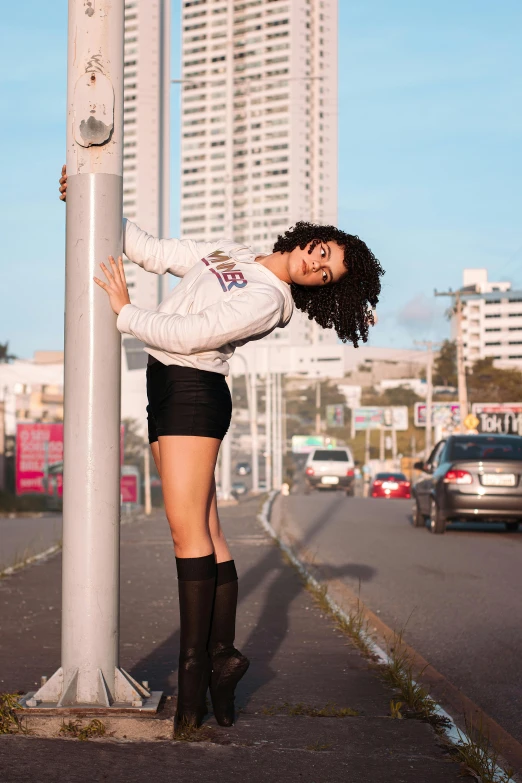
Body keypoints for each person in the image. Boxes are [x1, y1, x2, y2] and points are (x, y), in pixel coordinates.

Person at [59, 167, 384, 731]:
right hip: (164, 387)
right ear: (316, 235)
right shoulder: (235, 254)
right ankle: (222, 659)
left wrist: (124, 311)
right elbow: (153, 250)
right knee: (204, 530)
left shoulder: (269, 300)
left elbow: (192, 334)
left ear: (321, 289)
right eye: (322, 253)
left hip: (192, 393)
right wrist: (91, 202)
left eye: (326, 274)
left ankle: (191, 689)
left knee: (187, 534)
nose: (315, 265)